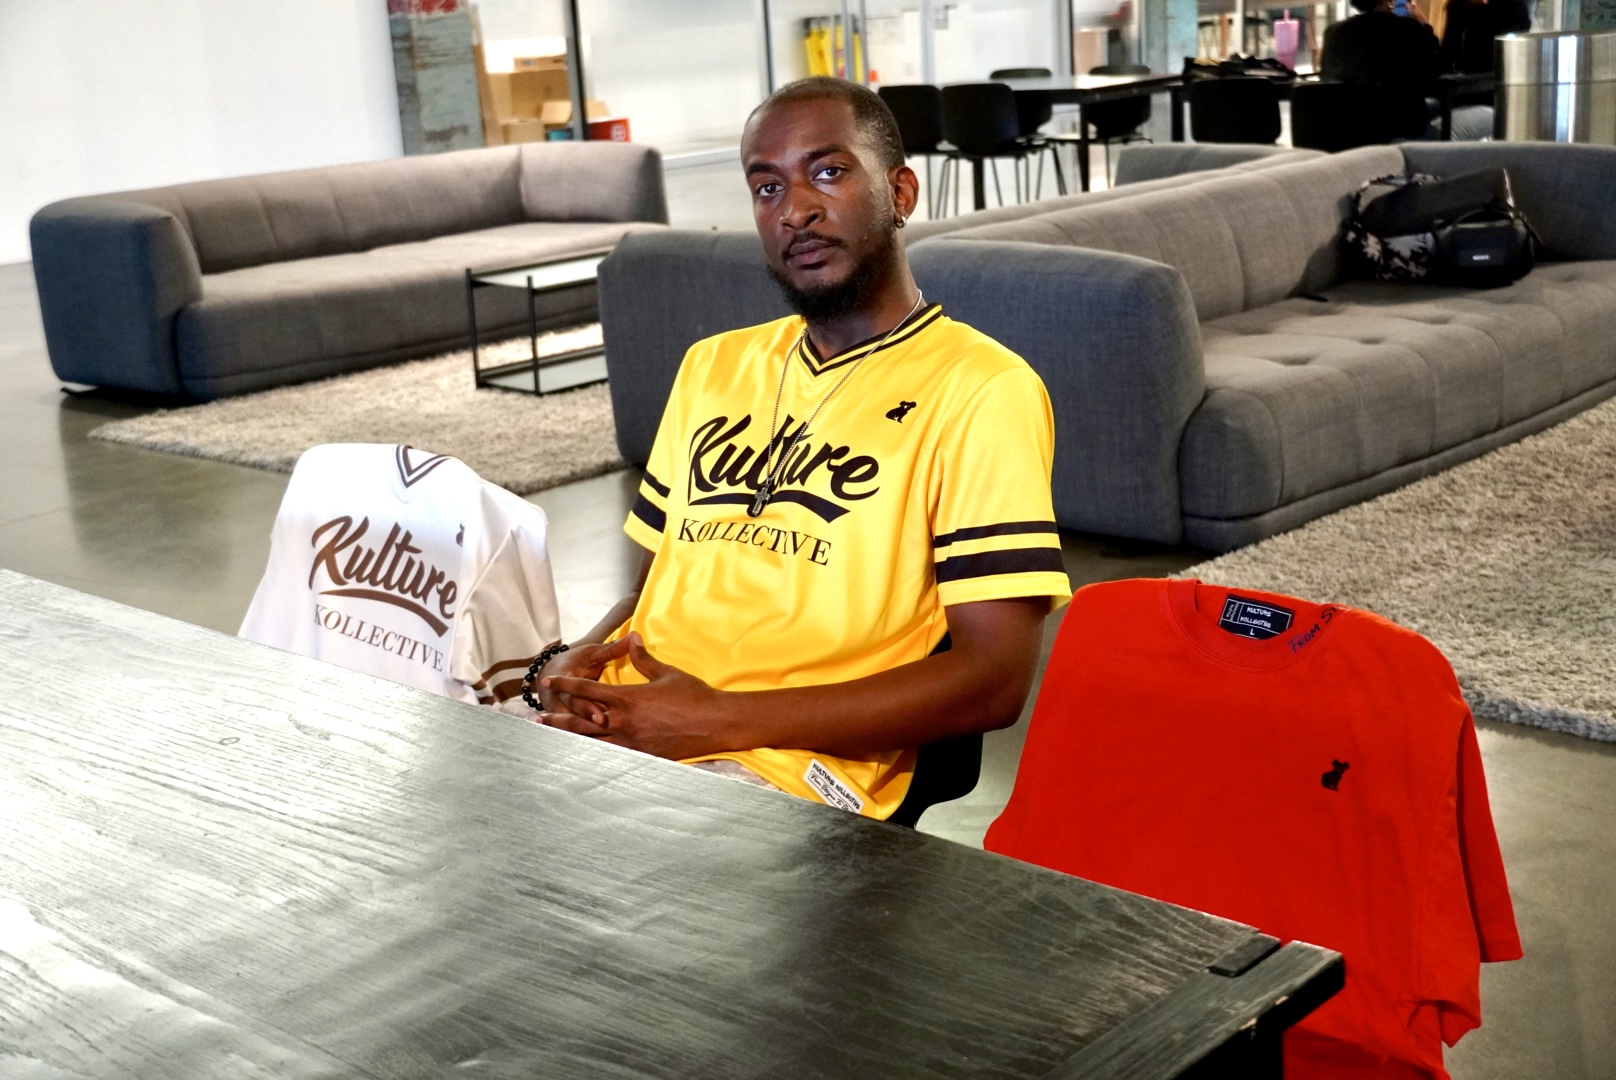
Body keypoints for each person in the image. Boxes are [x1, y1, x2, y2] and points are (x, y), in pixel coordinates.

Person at [517, 77, 1072, 820]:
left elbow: (992, 683)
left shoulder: (982, 389)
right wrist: (579, 656)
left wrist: (708, 722)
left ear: (901, 192)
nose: (796, 210)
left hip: (789, 770)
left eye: (830, 172)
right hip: (636, 723)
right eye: (767, 187)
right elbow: (657, 596)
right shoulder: (710, 366)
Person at [1321, 0, 1494, 140]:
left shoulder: (1333, 32)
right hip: (1400, 135)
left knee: (1434, 105)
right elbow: (1440, 68)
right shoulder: (1406, 28)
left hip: (1347, 132)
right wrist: (1424, 25)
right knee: (1489, 115)